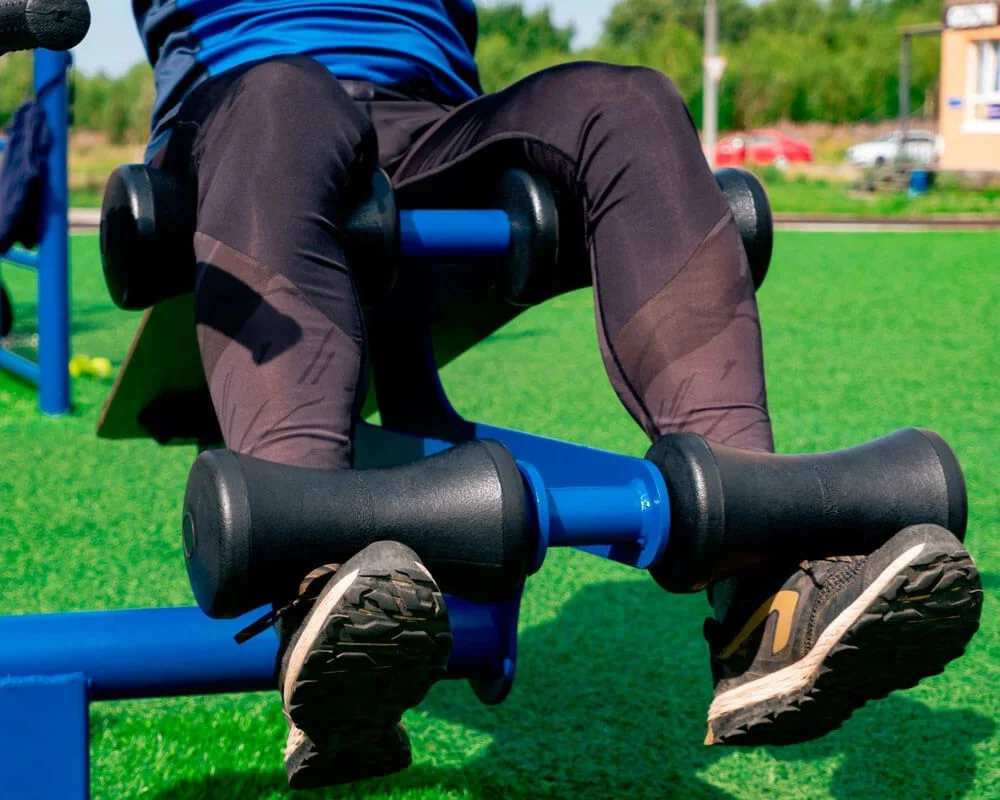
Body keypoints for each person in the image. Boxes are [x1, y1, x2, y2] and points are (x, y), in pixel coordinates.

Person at [131, 0, 983, 789]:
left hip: (425, 126)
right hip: (241, 109)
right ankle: (317, 594)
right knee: (287, 98)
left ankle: (763, 597)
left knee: (630, 105)